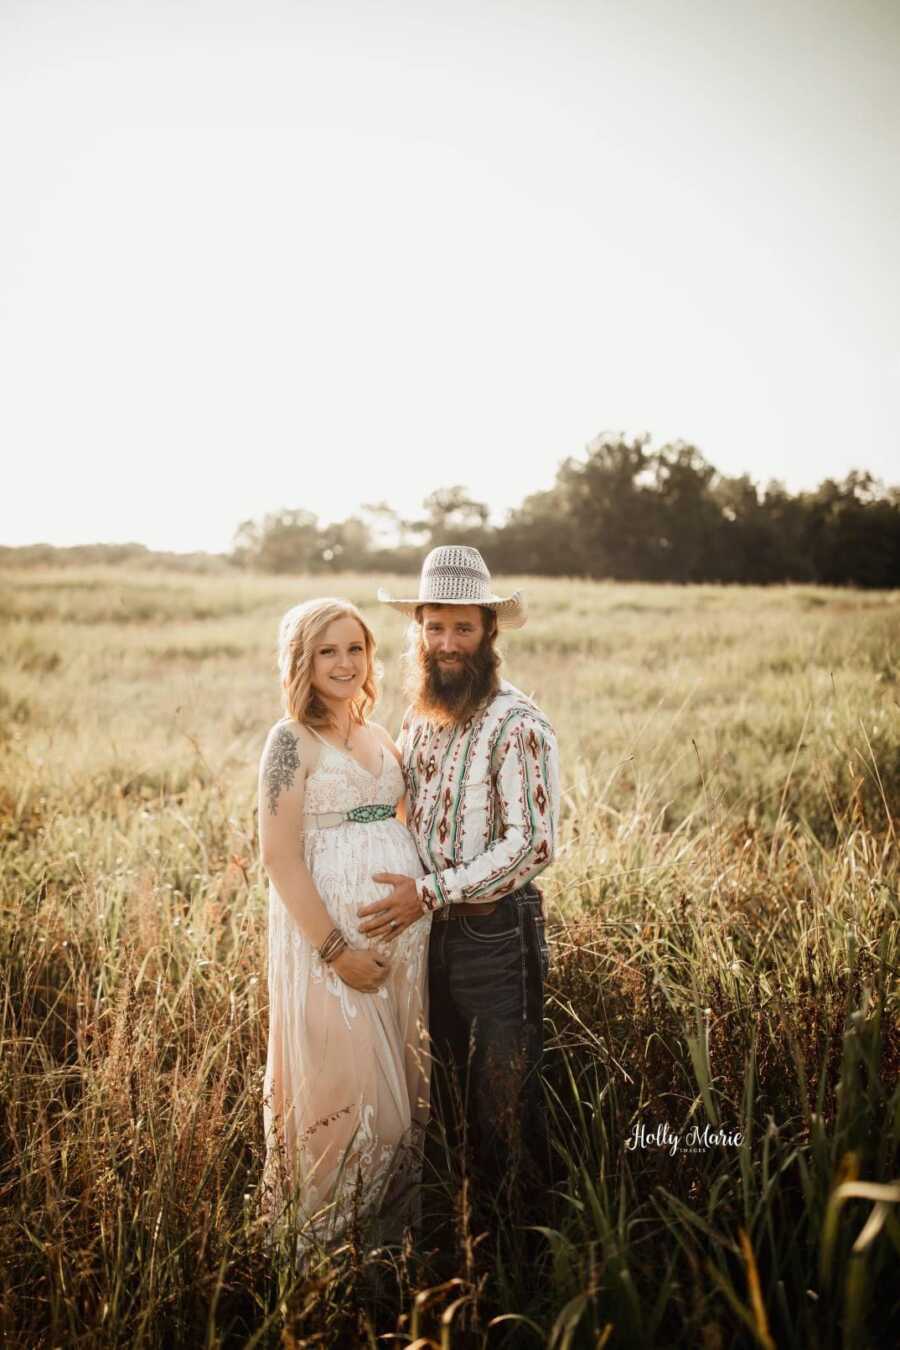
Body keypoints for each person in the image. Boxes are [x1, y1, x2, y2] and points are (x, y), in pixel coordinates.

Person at [358, 545, 560, 1211]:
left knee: (504, 1099)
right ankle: (458, 1225)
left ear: (489, 631)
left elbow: (531, 845)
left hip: (493, 933)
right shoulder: (419, 716)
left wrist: (429, 892)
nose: (446, 642)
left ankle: (518, 1244)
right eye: (434, 627)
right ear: (418, 629)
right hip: (425, 935)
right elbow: (399, 803)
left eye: (462, 627)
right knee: (438, 1086)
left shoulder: (517, 723)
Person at [257, 598, 431, 1248]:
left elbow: (402, 825)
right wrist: (337, 951)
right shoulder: (290, 741)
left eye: (354, 648)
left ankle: (380, 1267)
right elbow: (277, 856)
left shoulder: (381, 735)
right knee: (357, 1116)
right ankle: (311, 1263)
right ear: (302, 660)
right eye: (327, 650)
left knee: (405, 1110)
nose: (344, 662)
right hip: (331, 949)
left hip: (402, 949)